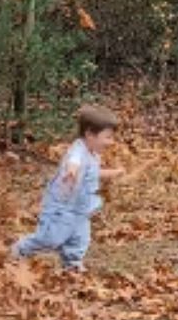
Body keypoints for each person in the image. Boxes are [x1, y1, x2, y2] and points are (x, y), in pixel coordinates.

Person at [10, 104, 126, 272]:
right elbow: (74, 162)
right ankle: (20, 249)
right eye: (107, 137)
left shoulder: (94, 153)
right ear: (89, 134)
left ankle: (72, 265)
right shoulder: (77, 150)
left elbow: (92, 173)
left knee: (80, 239)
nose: (111, 142)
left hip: (80, 208)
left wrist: (115, 173)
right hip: (61, 207)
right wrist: (71, 171)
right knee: (51, 239)